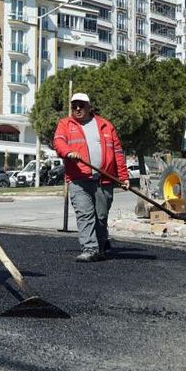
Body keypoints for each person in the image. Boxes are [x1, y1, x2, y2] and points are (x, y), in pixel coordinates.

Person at [53, 93, 129, 262]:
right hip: (78, 179)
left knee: (100, 217)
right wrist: (67, 152)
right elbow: (58, 143)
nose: (77, 109)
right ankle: (89, 248)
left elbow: (117, 153)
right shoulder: (65, 124)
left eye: (81, 105)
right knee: (85, 214)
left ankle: (101, 247)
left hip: (104, 180)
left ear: (89, 107)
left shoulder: (105, 126)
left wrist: (123, 177)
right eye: (74, 106)